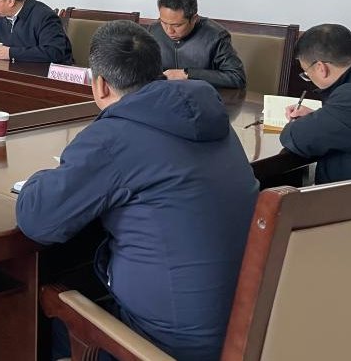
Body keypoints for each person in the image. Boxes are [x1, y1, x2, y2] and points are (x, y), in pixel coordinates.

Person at [16, 20, 258, 361]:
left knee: (47, 320)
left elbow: (37, 220)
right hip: (246, 327)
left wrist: (39, 179)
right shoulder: (212, 117)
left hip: (167, 345)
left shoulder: (114, 136)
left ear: (100, 84)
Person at [281, 23, 351, 184]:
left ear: (321, 68)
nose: (309, 78)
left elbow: (296, 138)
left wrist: (294, 123)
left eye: (307, 73)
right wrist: (320, 116)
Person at [148, 0, 246, 89]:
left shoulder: (216, 36)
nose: (169, 31)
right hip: (162, 94)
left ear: (194, 19)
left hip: (202, 95)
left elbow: (237, 78)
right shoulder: (153, 30)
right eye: (163, 22)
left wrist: (187, 74)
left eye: (177, 25)